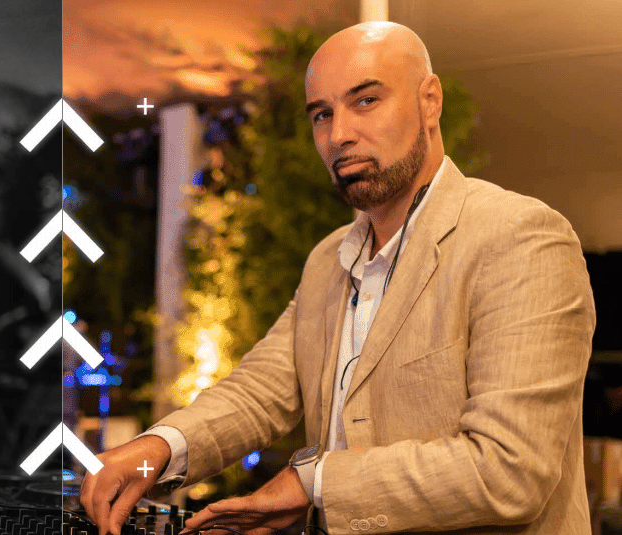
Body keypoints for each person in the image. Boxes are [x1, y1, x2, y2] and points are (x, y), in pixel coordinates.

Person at [80, 21, 596, 535]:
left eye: (366, 101)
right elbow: (261, 391)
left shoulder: (521, 237)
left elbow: (509, 470)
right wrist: (156, 449)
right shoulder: (329, 258)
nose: (338, 135)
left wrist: (313, 482)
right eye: (322, 115)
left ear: (430, 102)